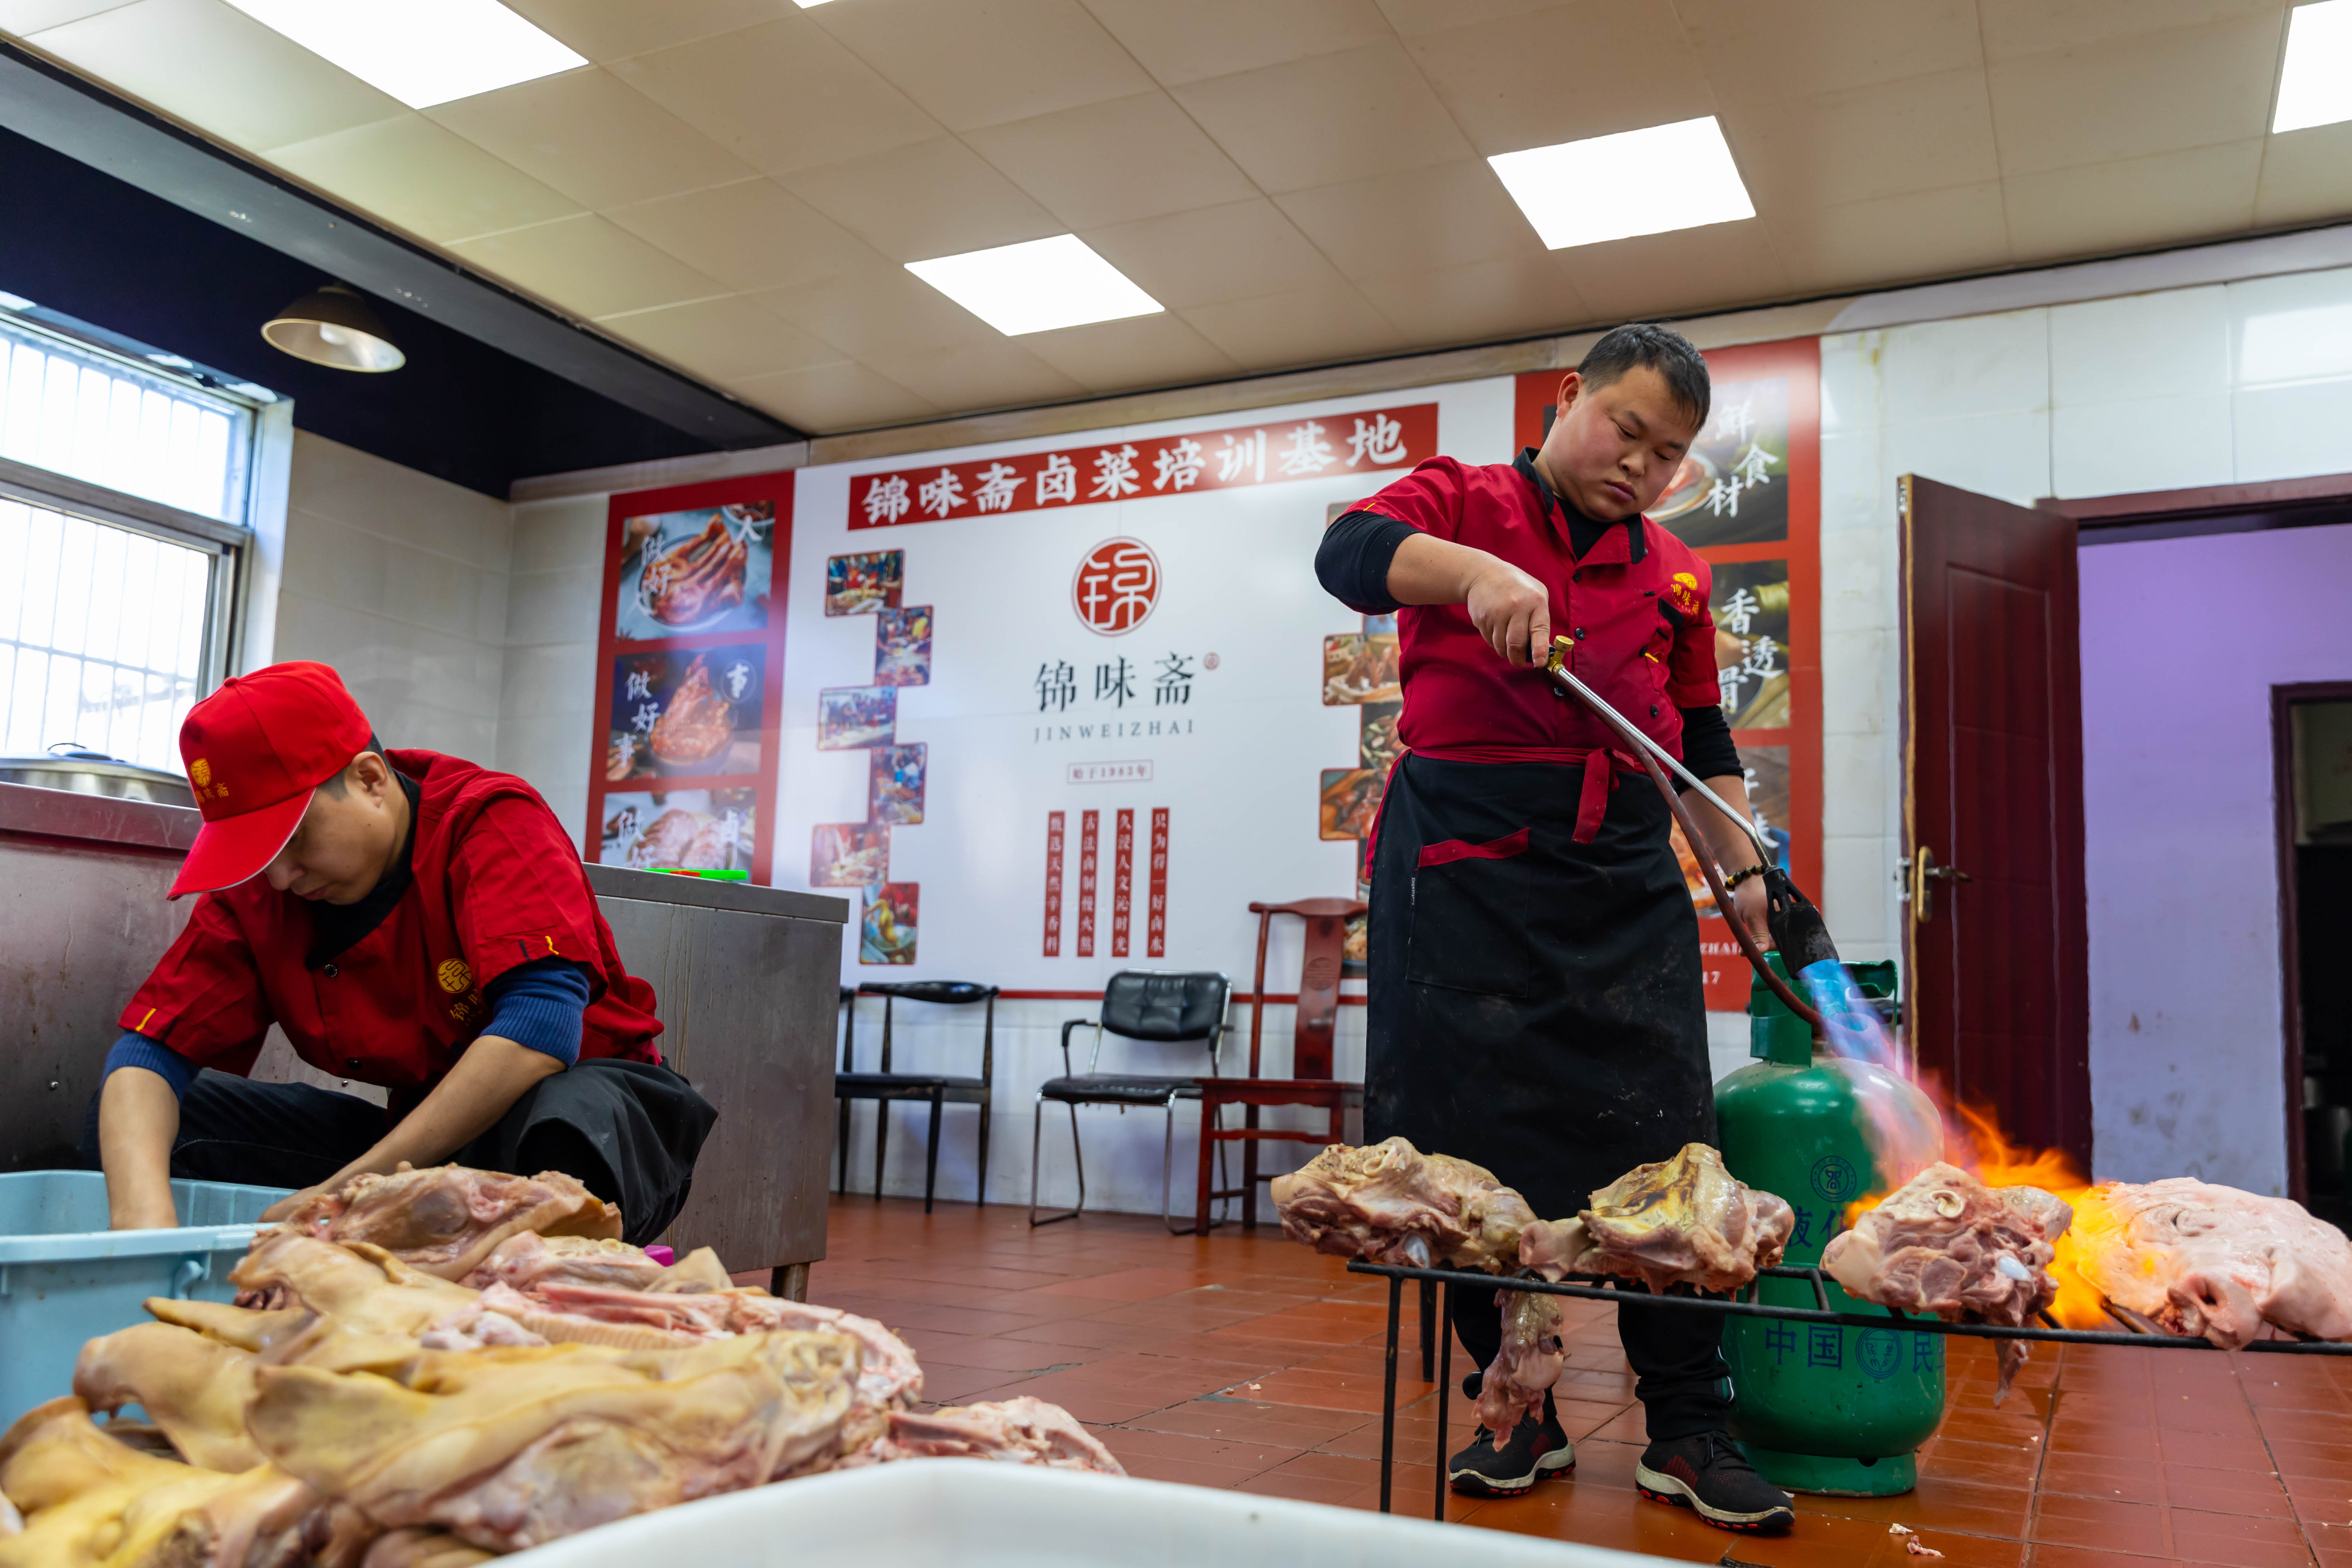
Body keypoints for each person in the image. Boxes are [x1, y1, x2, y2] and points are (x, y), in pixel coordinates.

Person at [1316, 324, 1796, 1532]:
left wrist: (1743, 867)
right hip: (1462, 871)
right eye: (1624, 428)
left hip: (1620, 873)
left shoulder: (1679, 575)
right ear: (1570, 398)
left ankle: (1687, 1416)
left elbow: (1700, 738)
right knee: (1467, 1146)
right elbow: (1350, 550)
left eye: (1669, 452)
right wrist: (1475, 575)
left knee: (1670, 1139)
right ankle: (1515, 1397)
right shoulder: (1464, 501)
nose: (1640, 463)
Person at [89, 660, 715, 1244]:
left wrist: (338, 1195)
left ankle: (523, 1310)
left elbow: (539, 1027)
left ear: (370, 779)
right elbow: (149, 1054)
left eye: (295, 839)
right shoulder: (263, 890)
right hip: (423, 1150)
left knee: (565, 1126)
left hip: (589, 1124)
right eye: (259, 855)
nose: (280, 878)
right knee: (150, 1124)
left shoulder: (487, 819)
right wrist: (144, 1233)